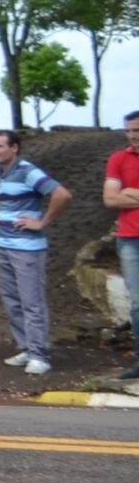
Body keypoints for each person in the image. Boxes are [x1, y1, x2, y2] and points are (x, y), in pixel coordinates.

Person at [0, 129, 70, 379]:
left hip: (27, 249)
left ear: (14, 148)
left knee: (31, 302)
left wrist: (42, 222)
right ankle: (26, 347)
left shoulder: (27, 170)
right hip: (3, 244)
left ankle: (39, 355)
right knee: (12, 300)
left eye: (0, 146)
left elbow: (62, 194)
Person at [106, 109, 139, 383]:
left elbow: (121, 195)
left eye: (137, 130)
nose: (132, 135)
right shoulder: (119, 158)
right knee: (138, 304)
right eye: (128, 130)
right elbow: (110, 199)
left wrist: (129, 192)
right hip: (129, 239)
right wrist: (122, 194)